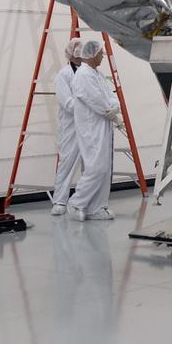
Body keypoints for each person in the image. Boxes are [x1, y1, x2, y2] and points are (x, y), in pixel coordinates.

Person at [68, 38, 123, 221]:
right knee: (96, 168)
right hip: (91, 128)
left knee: (105, 169)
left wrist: (114, 108)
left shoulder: (97, 74)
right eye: (100, 53)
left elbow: (110, 95)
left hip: (102, 125)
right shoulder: (83, 75)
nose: (103, 56)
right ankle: (76, 203)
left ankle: (96, 207)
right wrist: (111, 113)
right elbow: (95, 100)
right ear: (91, 54)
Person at [50, 38, 85, 217]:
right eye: (77, 50)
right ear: (71, 53)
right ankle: (60, 201)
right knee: (67, 163)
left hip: (90, 126)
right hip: (71, 126)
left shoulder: (89, 73)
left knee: (91, 164)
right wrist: (88, 106)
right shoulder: (63, 75)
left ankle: (86, 201)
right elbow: (68, 103)